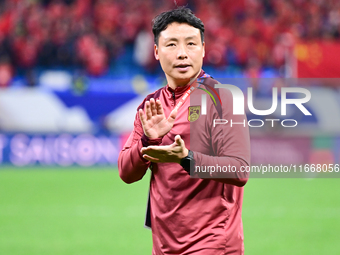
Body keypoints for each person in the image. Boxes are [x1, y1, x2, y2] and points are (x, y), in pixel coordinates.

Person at [118, 7, 250, 255]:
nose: (182, 54)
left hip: (213, 244)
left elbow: (239, 169)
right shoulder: (151, 105)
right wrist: (148, 140)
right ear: (156, 51)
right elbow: (126, 172)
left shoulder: (222, 99)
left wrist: (184, 158)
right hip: (164, 245)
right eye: (171, 45)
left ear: (203, 49)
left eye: (191, 44)